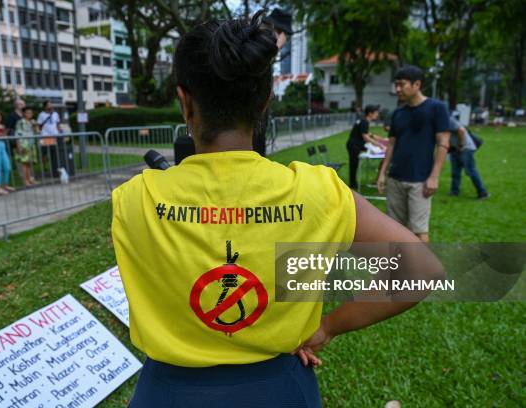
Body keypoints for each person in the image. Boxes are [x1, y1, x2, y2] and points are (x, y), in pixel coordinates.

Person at [111, 12, 442, 407]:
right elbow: (422, 271)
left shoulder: (135, 198)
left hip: (167, 392)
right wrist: (325, 328)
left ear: (184, 102)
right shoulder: (317, 191)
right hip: (280, 387)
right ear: (266, 101)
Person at [376, 65, 450, 243]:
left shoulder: (436, 108)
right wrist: (382, 173)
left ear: (417, 84)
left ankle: (424, 270)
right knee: (394, 231)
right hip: (395, 180)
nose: (398, 89)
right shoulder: (398, 113)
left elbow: (443, 143)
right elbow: (391, 144)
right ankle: (398, 267)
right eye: (396, 85)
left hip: (420, 181)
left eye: (402, 84)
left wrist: (434, 177)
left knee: (419, 232)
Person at [252, 8, 293, 157]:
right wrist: (275, 48)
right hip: (253, 110)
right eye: (282, 33)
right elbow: (255, 62)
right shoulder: (257, 46)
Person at [346, 104, 386, 189]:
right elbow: (366, 137)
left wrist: (382, 139)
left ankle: (353, 184)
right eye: (376, 113)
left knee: (354, 164)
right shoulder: (364, 122)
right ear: (370, 113)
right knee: (354, 165)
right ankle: (353, 185)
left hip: (355, 145)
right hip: (354, 145)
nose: (377, 114)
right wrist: (379, 145)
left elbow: (369, 134)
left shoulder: (363, 121)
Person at [448, 116, 488, 199]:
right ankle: (454, 191)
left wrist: (461, 144)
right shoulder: (438, 120)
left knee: (470, 171)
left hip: (465, 148)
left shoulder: (448, 119)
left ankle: (483, 193)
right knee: (455, 172)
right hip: (454, 148)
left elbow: (461, 130)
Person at [14, 107, 39, 187]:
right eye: (28, 113)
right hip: (24, 144)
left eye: (31, 113)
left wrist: (35, 126)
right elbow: (17, 134)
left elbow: (37, 132)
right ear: (24, 113)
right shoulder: (20, 122)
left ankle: (30, 179)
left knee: (29, 163)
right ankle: (26, 181)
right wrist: (19, 146)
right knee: (24, 163)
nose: (30, 114)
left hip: (31, 144)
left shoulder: (32, 122)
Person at [37, 100, 61, 171]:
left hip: (54, 136)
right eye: (49, 105)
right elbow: (39, 125)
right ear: (45, 107)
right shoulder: (41, 114)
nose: (51, 106)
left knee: (54, 152)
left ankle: (55, 167)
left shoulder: (55, 114)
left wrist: (60, 132)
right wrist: (39, 133)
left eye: (51, 104)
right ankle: (44, 167)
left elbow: (57, 124)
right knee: (44, 153)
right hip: (45, 137)